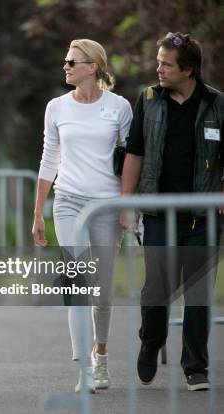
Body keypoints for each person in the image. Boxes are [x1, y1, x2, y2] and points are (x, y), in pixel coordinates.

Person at [121, 32, 224, 391]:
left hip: (204, 218)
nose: (158, 69)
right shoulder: (148, 100)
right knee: (156, 290)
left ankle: (196, 367)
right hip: (158, 214)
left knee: (198, 295)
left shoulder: (217, 105)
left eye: (166, 64)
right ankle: (151, 341)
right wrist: (126, 204)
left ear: (189, 70)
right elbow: (135, 153)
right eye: (158, 62)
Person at [32, 39, 132, 393]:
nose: (66, 66)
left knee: (101, 291)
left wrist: (126, 206)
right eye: (65, 60)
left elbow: (130, 161)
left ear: (92, 66)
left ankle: (100, 355)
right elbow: (49, 159)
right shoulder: (56, 107)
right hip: (68, 201)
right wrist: (38, 213)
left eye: (72, 61)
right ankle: (84, 370)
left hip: (105, 204)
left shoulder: (119, 108)